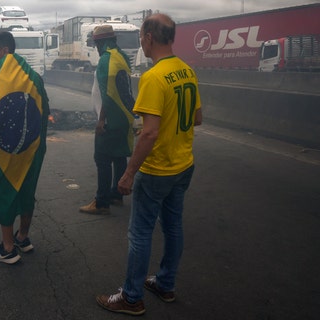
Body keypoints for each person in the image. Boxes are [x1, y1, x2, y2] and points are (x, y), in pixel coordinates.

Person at [96, 13, 202, 315]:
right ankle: (165, 284)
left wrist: (129, 173)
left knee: (140, 233)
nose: (141, 41)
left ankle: (131, 297)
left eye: (142, 36)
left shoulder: (153, 77)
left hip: (158, 169)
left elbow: (150, 132)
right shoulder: (187, 71)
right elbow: (196, 118)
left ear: (149, 38)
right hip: (184, 165)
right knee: (173, 227)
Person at [0, 31, 50, 264]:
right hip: (32, 148)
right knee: (26, 190)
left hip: (5, 152)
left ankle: (8, 249)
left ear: (5, 51)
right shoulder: (34, 77)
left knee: (4, 193)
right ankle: (23, 237)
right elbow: (44, 111)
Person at [78, 25, 136, 215]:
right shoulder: (121, 56)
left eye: (96, 43)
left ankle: (101, 202)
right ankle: (116, 194)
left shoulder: (106, 60)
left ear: (99, 42)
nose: (96, 47)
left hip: (111, 118)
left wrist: (101, 120)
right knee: (119, 156)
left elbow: (108, 95)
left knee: (102, 159)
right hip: (124, 117)